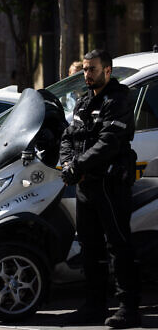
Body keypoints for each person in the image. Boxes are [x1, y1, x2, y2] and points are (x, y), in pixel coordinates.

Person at [60, 49, 140, 328]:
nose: (86, 74)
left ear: (107, 70)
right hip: (86, 185)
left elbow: (109, 142)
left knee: (118, 245)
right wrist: (68, 163)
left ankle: (128, 308)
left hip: (109, 183)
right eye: (84, 69)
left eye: (92, 69)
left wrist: (77, 166)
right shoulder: (83, 102)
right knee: (90, 248)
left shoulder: (118, 99)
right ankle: (93, 307)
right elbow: (69, 136)